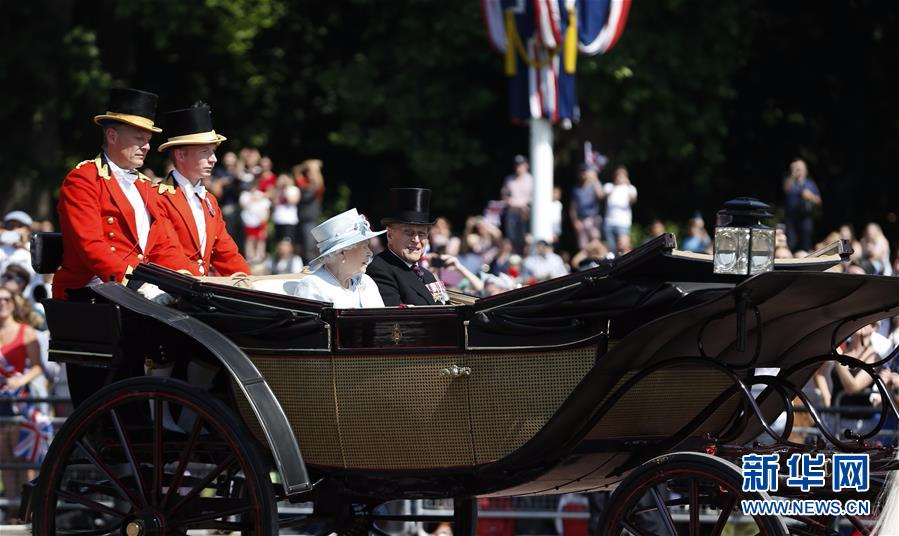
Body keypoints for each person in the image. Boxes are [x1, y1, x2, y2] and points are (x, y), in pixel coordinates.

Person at [54, 88, 191, 300]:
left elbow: (163, 244)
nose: (146, 147)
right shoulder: (83, 179)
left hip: (138, 291)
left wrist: (185, 278)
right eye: (139, 138)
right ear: (112, 135)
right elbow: (91, 246)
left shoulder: (144, 185)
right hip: (93, 292)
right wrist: (134, 284)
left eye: (148, 140)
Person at [155, 104, 250, 277]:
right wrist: (202, 283)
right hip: (171, 289)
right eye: (205, 152)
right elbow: (167, 252)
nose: (213, 159)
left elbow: (226, 252)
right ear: (180, 155)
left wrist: (249, 281)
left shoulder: (209, 200)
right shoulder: (159, 198)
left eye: (213, 151)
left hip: (198, 290)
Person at [0, 286, 42, 523]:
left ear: (13, 303)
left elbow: (37, 366)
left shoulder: (26, 332)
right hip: (1, 402)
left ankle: (28, 512)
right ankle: (12, 511)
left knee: (24, 457)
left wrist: (20, 380)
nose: (2, 303)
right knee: (5, 458)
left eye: (6, 299)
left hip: (20, 402)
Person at [367, 188, 449, 305]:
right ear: (390, 235)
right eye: (409, 233)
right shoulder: (380, 271)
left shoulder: (428, 275)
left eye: (421, 234)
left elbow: (445, 307)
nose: (416, 240)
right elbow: (395, 319)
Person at [292, 209, 385, 308]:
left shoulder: (367, 282)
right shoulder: (312, 286)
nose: (370, 253)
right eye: (364, 247)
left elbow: (383, 322)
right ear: (342, 253)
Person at [782, 158, 821, 252]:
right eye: (795, 168)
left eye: (800, 168)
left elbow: (819, 201)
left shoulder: (810, 184)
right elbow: (786, 189)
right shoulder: (789, 181)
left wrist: (810, 196)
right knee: (791, 243)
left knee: (806, 245)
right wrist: (792, 175)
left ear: (805, 171)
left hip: (805, 218)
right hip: (791, 219)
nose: (798, 170)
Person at [293, 159, 326, 261]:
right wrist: (305, 165)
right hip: (301, 220)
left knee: (309, 247)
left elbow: (319, 182)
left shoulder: (317, 187)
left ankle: (310, 268)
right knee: (300, 247)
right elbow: (296, 171)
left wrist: (315, 168)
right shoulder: (305, 185)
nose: (311, 174)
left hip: (310, 220)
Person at [501, 155, 533, 254]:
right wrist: (512, 202)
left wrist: (523, 204)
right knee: (512, 239)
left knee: (526, 239)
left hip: (526, 213)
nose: (518, 167)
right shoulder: (509, 179)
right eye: (516, 165)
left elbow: (535, 198)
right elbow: (504, 196)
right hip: (512, 213)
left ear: (526, 165)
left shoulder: (532, 179)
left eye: (520, 165)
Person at [602, 166, 637, 255]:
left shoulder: (630, 188)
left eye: (622, 175)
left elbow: (633, 200)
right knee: (611, 249)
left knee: (624, 248)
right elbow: (602, 196)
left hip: (623, 223)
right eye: (618, 175)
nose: (620, 177)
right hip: (609, 223)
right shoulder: (609, 186)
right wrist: (615, 185)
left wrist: (627, 184)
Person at [569, 163, 605, 250]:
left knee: (595, 243)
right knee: (583, 246)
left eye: (585, 172)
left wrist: (595, 179)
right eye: (581, 172)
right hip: (581, 220)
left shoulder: (594, 186)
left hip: (593, 218)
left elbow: (601, 196)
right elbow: (573, 208)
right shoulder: (576, 189)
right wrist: (575, 221)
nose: (583, 174)